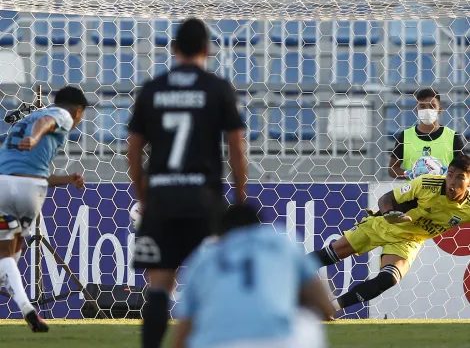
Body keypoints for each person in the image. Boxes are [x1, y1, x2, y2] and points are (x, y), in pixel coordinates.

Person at [127, 18, 247, 348]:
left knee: (159, 287)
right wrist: (239, 197)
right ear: (207, 50)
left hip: (162, 199)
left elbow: (133, 148)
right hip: (204, 201)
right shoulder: (218, 88)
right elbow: (236, 145)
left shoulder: (153, 89)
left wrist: (143, 193)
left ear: (174, 49)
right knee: (213, 285)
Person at [312, 154, 470, 314]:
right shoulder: (427, 184)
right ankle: (287, 271)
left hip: (408, 240)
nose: (452, 182)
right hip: (382, 225)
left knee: (389, 278)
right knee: (331, 253)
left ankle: (330, 308)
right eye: (449, 174)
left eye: (460, 178)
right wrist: (388, 214)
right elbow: (385, 199)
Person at [172, 204, 334, 348]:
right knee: (307, 322)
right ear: (259, 226)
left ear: (219, 235)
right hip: (276, 340)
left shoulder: (202, 259)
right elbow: (325, 308)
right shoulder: (281, 240)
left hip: (216, 343)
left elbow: (183, 331)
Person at [0, 86, 87, 332]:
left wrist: (68, 179)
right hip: (30, 193)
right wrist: (36, 137)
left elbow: (37, 171)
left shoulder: (26, 120)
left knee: (8, 252)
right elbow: (47, 122)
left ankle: (26, 307)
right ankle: (28, 308)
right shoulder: (61, 114)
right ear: (78, 111)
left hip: (4, 184)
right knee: (11, 252)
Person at [389, 88, 465, 179]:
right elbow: (392, 168)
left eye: (432, 106)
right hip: (414, 192)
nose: (427, 110)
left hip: (444, 192)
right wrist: (408, 174)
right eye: (422, 106)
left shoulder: (453, 137)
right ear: (416, 110)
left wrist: (449, 174)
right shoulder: (405, 136)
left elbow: (464, 169)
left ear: (440, 110)